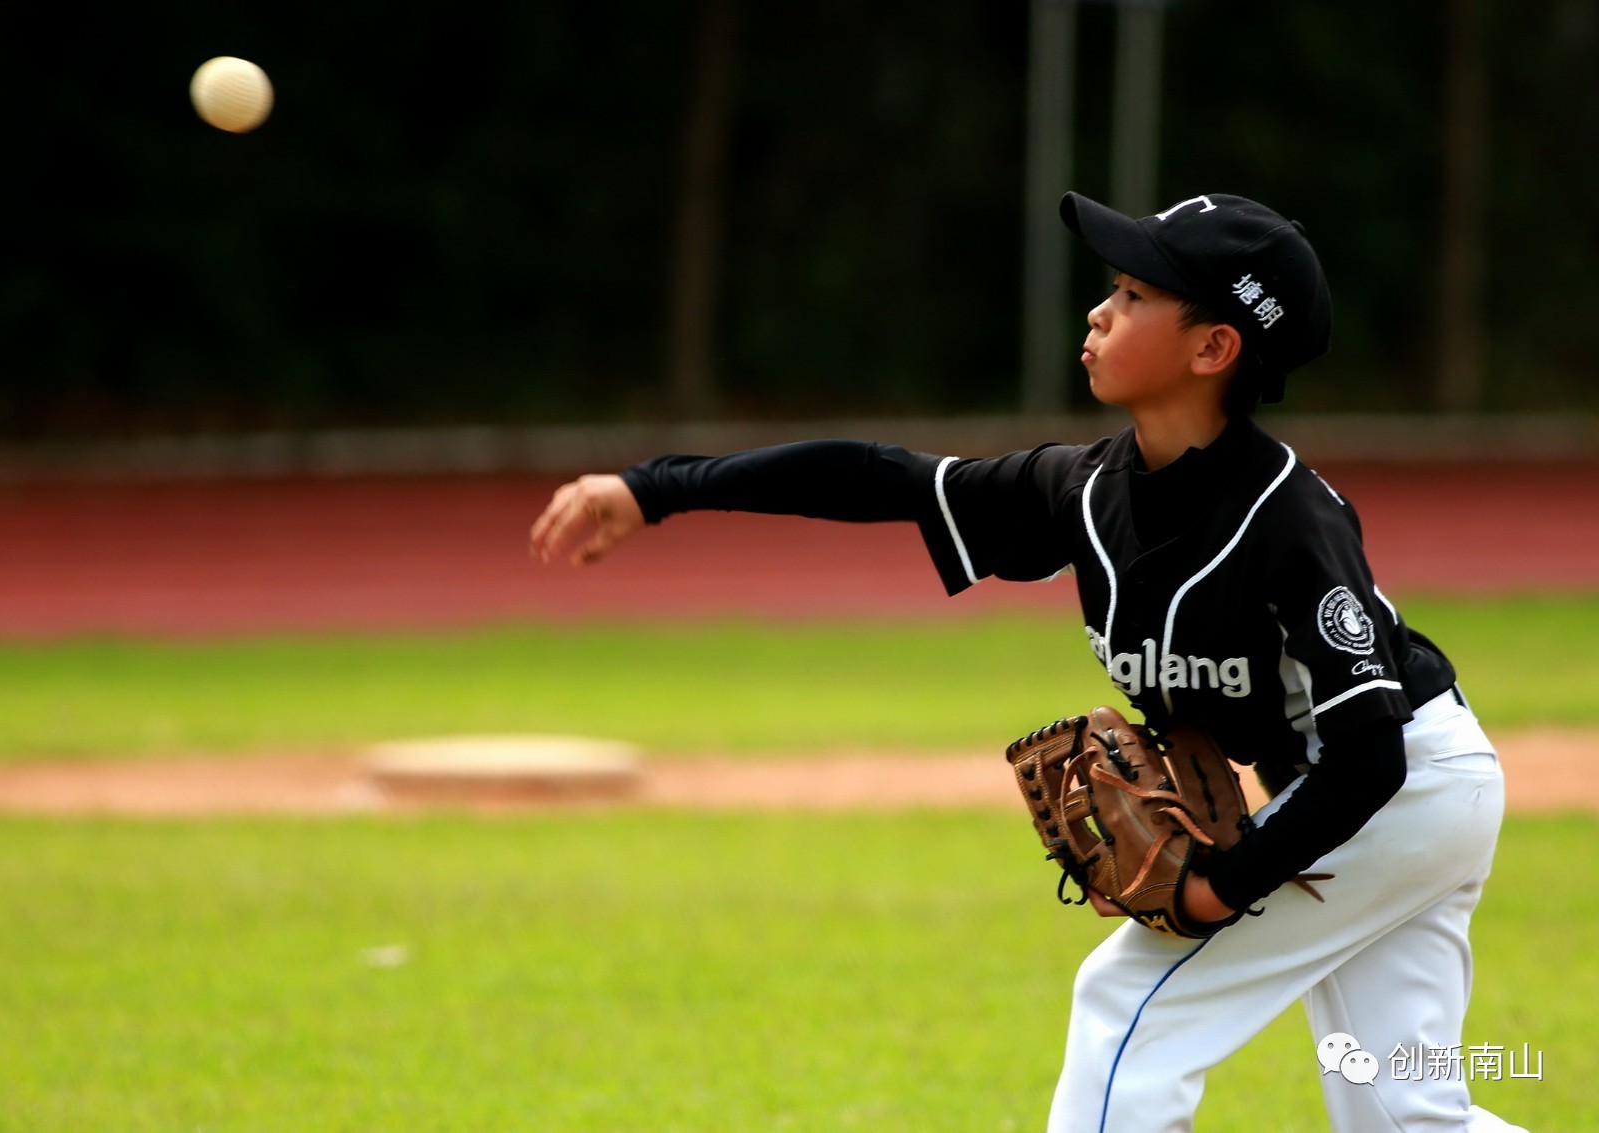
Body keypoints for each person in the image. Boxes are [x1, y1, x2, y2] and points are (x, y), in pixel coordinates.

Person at [530, 191, 1525, 1132]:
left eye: (1135, 295)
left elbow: (1367, 756)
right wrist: (656, 489)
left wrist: (1229, 879)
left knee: (1127, 1001)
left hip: (1397, 787)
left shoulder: (1289, 520)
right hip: (1386, 795)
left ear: (1214, 346)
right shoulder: (1086, 490)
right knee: (1406, 1113)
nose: (1099, 310)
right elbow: (884, 480)